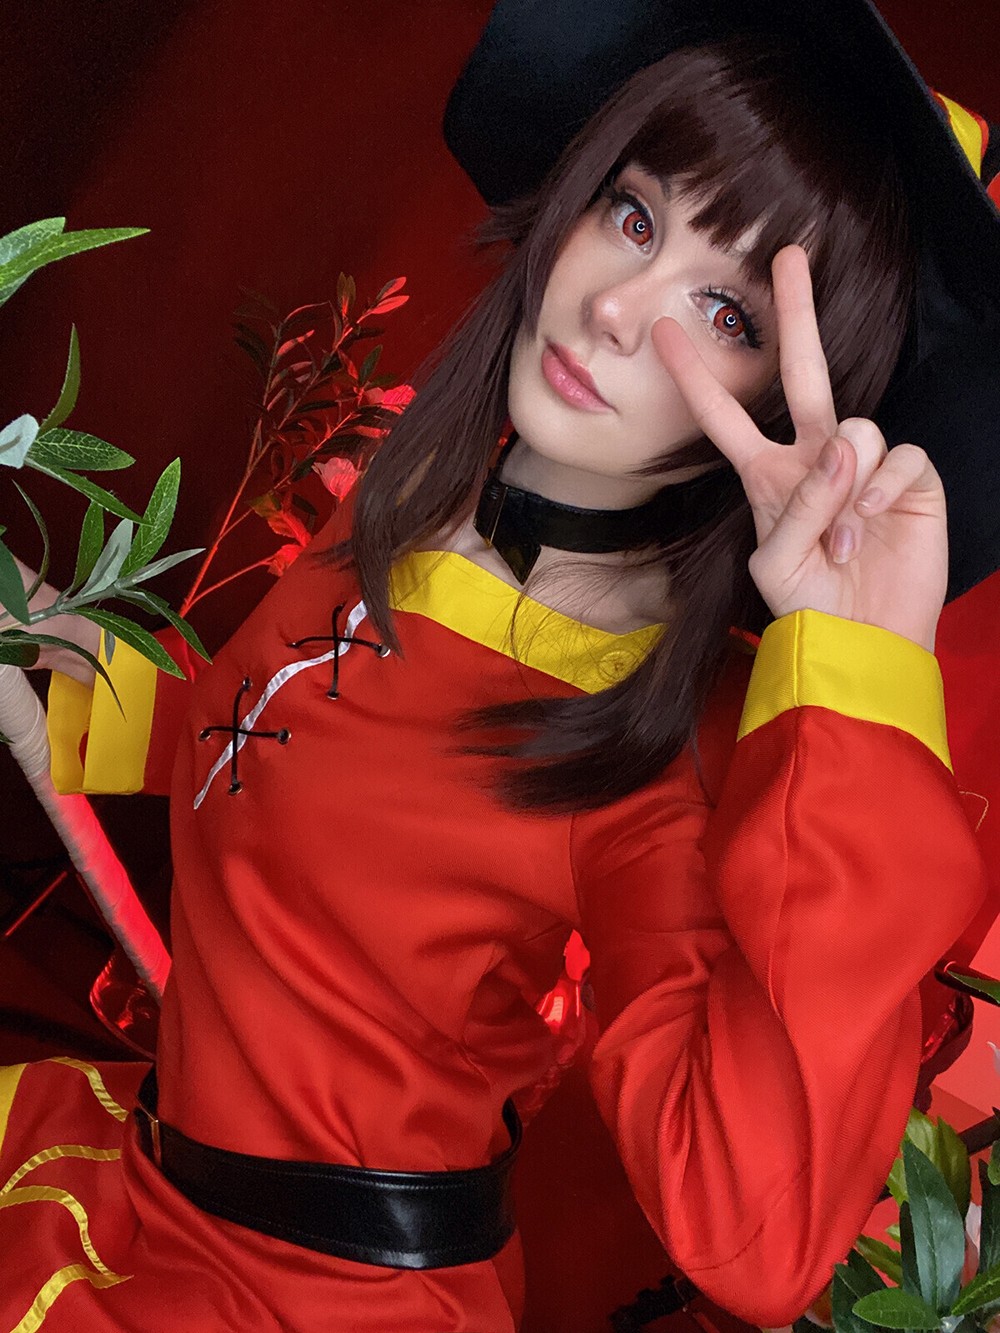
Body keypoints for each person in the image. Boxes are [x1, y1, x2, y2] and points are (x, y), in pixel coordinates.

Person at [2, 2, 999, 1330]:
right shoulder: (426, 491)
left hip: (313, 1302)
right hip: (141, 1185)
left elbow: (757, 1235)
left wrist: (860, 674)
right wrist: (59, 648)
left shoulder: (648, 758)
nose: (616, 310)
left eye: (726, 311)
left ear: (786, 404)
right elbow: (290, 742)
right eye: (635, 216)